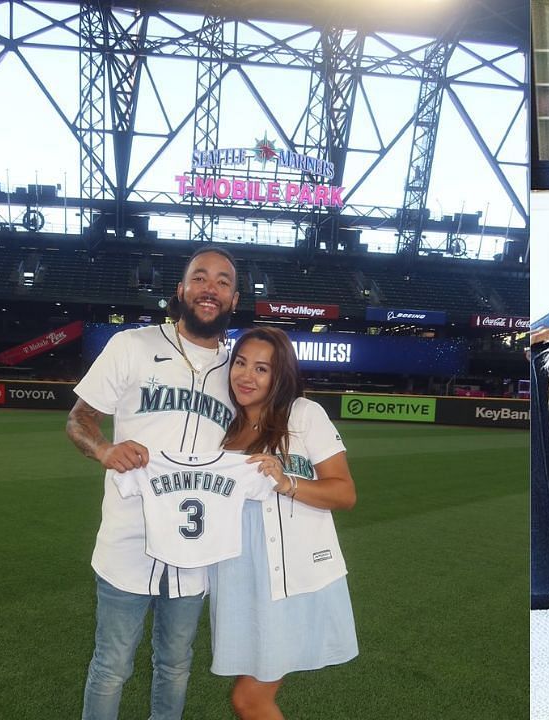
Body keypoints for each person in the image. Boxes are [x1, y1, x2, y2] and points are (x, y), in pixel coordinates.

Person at [66, 245, 239, 720]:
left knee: (176, 664)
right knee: (112, 665)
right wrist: (104, 450)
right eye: (200, 278)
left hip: (194, 548)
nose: (211, 288)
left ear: (234, 298)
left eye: (222, 281)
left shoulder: (238, 372)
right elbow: (79, 420)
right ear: (181, 290)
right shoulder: (133, 345)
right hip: (129, 539)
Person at [211, 327, 358, 719]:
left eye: (262, 369)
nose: (246, 376)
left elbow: (344, 493)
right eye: (240, 363)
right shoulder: (222, 424)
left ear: (280, 376)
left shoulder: (304, 414)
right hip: (238, 578)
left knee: (249, 698)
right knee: (249, 695)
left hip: (294, 576)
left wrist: (287, 482)